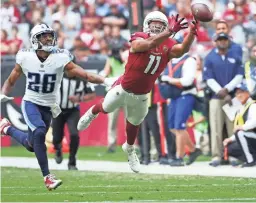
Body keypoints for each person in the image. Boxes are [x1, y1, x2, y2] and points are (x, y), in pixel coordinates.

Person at [77, 11, 198, 173]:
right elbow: (143, 45)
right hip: (123, 87)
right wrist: (168, 31)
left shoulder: (168, 43)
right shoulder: (139, 36)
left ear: (164, 27)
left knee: (134, 124)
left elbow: (182, 50)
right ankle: (92, 113)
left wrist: (191, 33)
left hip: (142, 94)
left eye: (159, 25)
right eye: (153, 24)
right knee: (106, 106)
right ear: (147, 25)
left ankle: (129, 148)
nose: (156, 27)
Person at [0, 23, 109, 190]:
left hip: (49, 106)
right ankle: (47, 177)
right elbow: (11, 80)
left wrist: (105, 80)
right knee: (39, 132)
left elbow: (85, 75)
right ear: (35, 39)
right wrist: (3, 93)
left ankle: (6, 128)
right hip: (31, 102)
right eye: (43, 36)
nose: (48, 39)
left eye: (49, 35)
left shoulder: (61, 58)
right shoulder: (25, 57)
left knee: (32, 144)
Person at [203, 32, 244, 167]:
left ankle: (233, 155)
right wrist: (221, 91)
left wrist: (227, 89)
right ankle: (216, 156)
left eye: (224, 40)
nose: (222, 42)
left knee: (233, 127)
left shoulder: (235, 56)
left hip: (232, 97)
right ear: (215, 41)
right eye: (220, 40)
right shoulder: (210, 57)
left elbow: (239, 75)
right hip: (216, 97)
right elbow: (208, 78)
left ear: (228, 41)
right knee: (216, 127)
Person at [159, 53, 200, 166]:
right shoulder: (171, 61)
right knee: (172, 127)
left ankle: (179, 157)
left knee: (179, 127)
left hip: (186, 94)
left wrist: (169, 80)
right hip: (174, 96)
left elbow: (188, 81)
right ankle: (193, 150)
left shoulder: (189, 60)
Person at [53, 67, 96, 170]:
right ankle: (58, 149)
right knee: (56, 137)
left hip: (73, 110)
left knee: (74, 134)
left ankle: (72, 162)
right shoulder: (57, 75)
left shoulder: (81, 78)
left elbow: (92, 95)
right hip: (57, 110)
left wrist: (79, 98)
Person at [223, 82, 256, 167]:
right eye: (237, 93)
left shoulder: (253, 105)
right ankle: (252, 158)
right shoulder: (240, 108)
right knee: (230, 146)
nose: (239, 95)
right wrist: (230, 139)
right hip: (250, 136)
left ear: (248, 93)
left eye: (242, 92)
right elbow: (240, 129)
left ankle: (250, 161)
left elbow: (253, 122)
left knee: (240, 133)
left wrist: (242, 127)